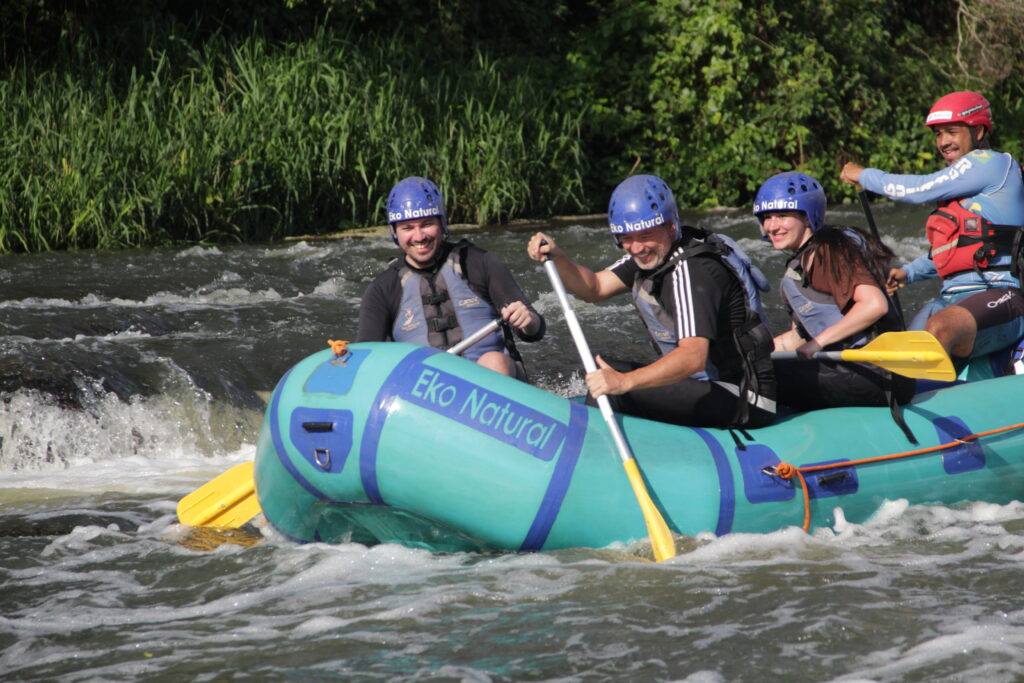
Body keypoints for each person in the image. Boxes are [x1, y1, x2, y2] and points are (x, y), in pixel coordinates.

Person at [526, 174, 776, 429]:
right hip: (707, 385)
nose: (636, 247)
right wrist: (557, 256)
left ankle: (597, 454)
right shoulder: (650, 257)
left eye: (645, 235)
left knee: (616, 388)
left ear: (670, 227)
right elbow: (594, 288)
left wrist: (625, 383)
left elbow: (693, 358)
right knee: (605, 368)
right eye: (626, 237)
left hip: (743, 397)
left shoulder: (693, 271)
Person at [840, 91, 1024, 368]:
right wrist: (908, 273)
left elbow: (917, 190)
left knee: (938, 329)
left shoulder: (993, 164)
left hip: (1001, 295)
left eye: (951, 132)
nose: (943, 142)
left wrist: (864, 175)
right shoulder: (960, 190)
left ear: (979, 131)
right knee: (901, 348)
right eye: (938, 134)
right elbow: (954, 249)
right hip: (949, 297)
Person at [754, 171, 915, 411]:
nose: (772, 226)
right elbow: (799, 337)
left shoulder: (829, 251)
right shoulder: (804, 261)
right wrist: (750, 355)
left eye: (782, 215)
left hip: (879, 373)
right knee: (758, 370)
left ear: (807, 218)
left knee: (767, 381)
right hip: (852, 369)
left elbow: (874, 305)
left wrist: (818, 343)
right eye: (767, 217)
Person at [357, 176, 544, 378]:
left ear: (443, 224)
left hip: (498, 385)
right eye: (408, 228)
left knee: (494, 361)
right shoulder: (383, 289)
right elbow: (365, 363)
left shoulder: (479, 263)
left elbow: (536, 330)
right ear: (395, 233)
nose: (419, 236)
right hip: (429, 393)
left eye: (427, 223)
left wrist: (528, 321)